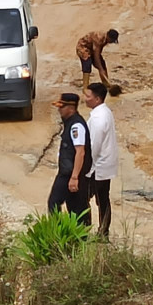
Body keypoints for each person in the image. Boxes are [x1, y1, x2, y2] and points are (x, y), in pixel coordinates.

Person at [48, 93, 93, 225]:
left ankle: (71, 234)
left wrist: (74, 177)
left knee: (67, 205)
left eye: (62, 107)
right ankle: (63, 234)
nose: (59, 110)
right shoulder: (70, 123)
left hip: (71, 174)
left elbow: (80, 152)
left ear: (71, 108)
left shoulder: (76, 126)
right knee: (66, 204)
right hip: (67, 172)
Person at [83, 82, 118, 239]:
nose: (85, 99)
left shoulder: (98, 119)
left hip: (97, 166)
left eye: (88, 96)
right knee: (103, 199)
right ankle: (103, 232)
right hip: (106, 164)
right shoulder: (106, 112)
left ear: (97, 99)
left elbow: (93, 146)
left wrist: (87, 169)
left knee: (84, 200)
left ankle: (84, 231)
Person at [76, 28, 119, 93]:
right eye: (112, 40)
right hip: (83, 48)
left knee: (102, 64)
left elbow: (98, 53)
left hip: (92, 49)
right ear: (108, 37)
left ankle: (106, 83)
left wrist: (101, 67)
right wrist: (100, 68)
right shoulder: (99, 38)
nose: (111, 42)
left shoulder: (105, 39)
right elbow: (96, 56)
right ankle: (85, 88)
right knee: (87, 65)